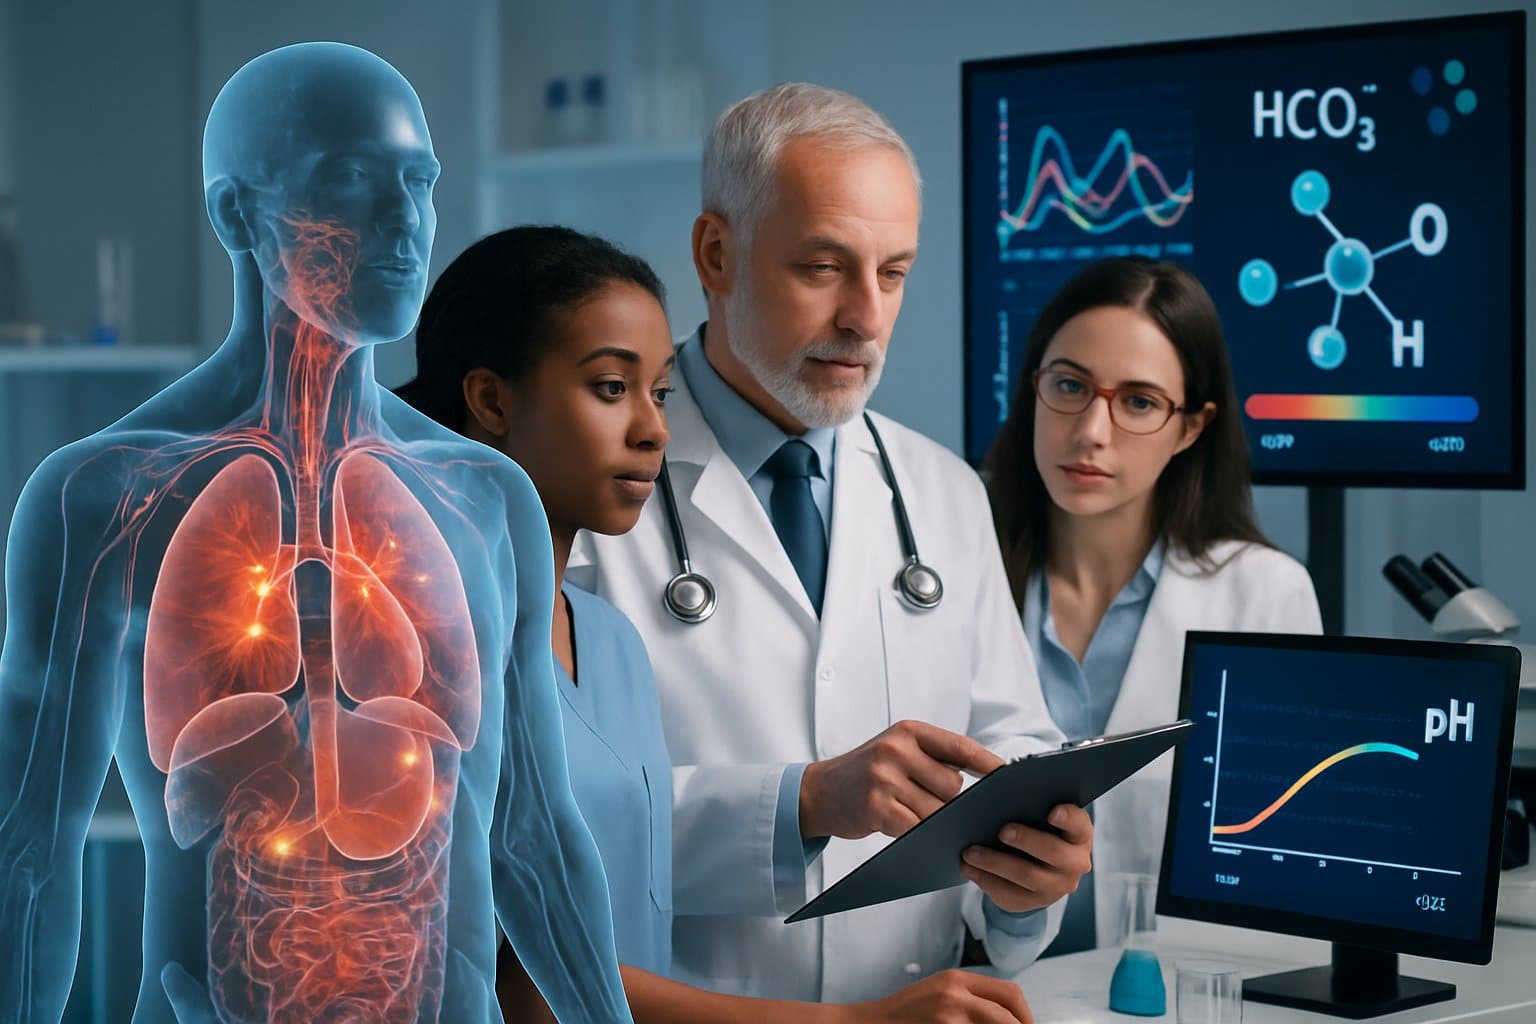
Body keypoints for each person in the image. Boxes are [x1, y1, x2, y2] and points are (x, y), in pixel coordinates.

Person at [0, 45, 630, 1023]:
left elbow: (535, 836)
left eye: (418, 183)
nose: (404, 223)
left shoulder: (485, 495)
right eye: (349, 181)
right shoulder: (104, 495)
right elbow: (30, 850)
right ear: (237, 214)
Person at [401, 224, 1038, 1024]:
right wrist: (861, 1022)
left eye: (660, 392)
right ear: (492, 399)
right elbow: (520, 977)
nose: (653, 430)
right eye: (609, 387)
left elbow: (632, 892)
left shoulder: (611, 644)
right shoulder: (412, 654)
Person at [567, 83, 1092, 1003]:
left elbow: (1012, 744)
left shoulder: (943, 492)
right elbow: (558, 822)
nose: (867, 316)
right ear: (716, 253)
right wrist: (803, 800)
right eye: (824, 267)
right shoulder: (579, 488)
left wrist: (1030, 872)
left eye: (893, 273)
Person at [984, 257, 1323, 954]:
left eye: (1138, 402)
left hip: (1181, 990)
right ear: (1032, 387)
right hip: (986, 984)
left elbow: (1285, 851)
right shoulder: (957, 574)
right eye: (1070, 386)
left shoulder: (1263, 595)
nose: (1091, 432)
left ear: (1192, 427)